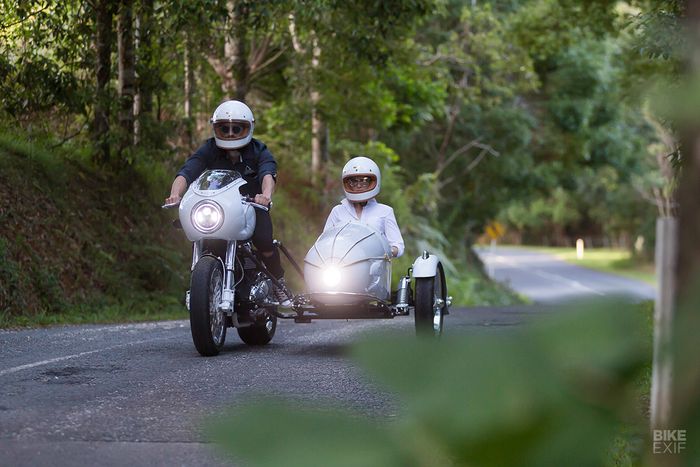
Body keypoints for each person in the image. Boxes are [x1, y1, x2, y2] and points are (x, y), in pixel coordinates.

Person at [165, 99, 291, 306]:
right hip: (218, 208)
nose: (231, 133)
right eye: (225, 128)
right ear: (216, 128)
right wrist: (175, 194)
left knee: (264, 241)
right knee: (203, 236)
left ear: (248, 128)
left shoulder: (259, 150)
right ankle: (204, 287)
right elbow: (187, 172)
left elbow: (268, 174)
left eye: (237, 128)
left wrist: (265, 196)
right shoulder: (209, 149)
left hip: (250, 207)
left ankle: (279, 283)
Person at [323, 156, 405, 258]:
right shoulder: (338, 211)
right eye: (353, 181)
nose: (358, 185)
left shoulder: (385, 211)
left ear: (373, 182)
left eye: (364, 181)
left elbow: (398, 246)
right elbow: (324, 241)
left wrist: (389, 250)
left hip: (375, 267)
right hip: (341, 267)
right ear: (347, 183)